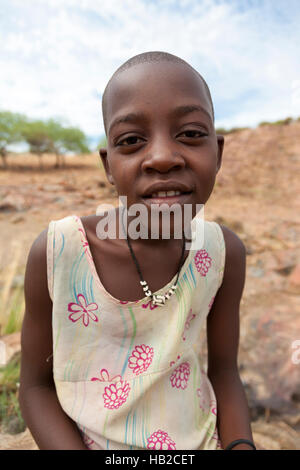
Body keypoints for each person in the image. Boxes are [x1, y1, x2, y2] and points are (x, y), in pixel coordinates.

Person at [19, 51, 256, 450]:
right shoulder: (60, 253)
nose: (162, 157)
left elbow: (226, 372)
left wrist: (241, 445)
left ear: (218, 153)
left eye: (191, 134)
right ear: (109, 165)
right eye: (131, 141)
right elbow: (36, 388)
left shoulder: (223, 253)